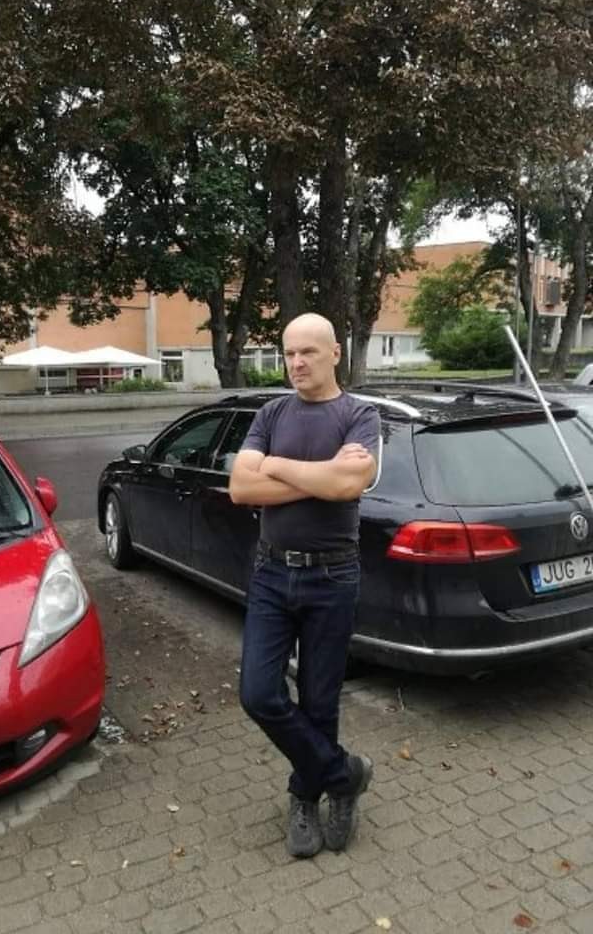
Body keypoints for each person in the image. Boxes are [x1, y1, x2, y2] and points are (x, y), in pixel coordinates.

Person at [229, 312, 380, 858]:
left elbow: (348, 484)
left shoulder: (359, 414)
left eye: (307, 352)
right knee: (259, 693)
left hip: (333, 575)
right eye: (289, 352)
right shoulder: (270, 413)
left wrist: (274, 466)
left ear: (334, 353)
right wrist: (319, 475)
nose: (295, 362)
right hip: (272, 573)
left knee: (320, 699)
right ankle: (344, 775)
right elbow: (241, 489)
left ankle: (306, 796)